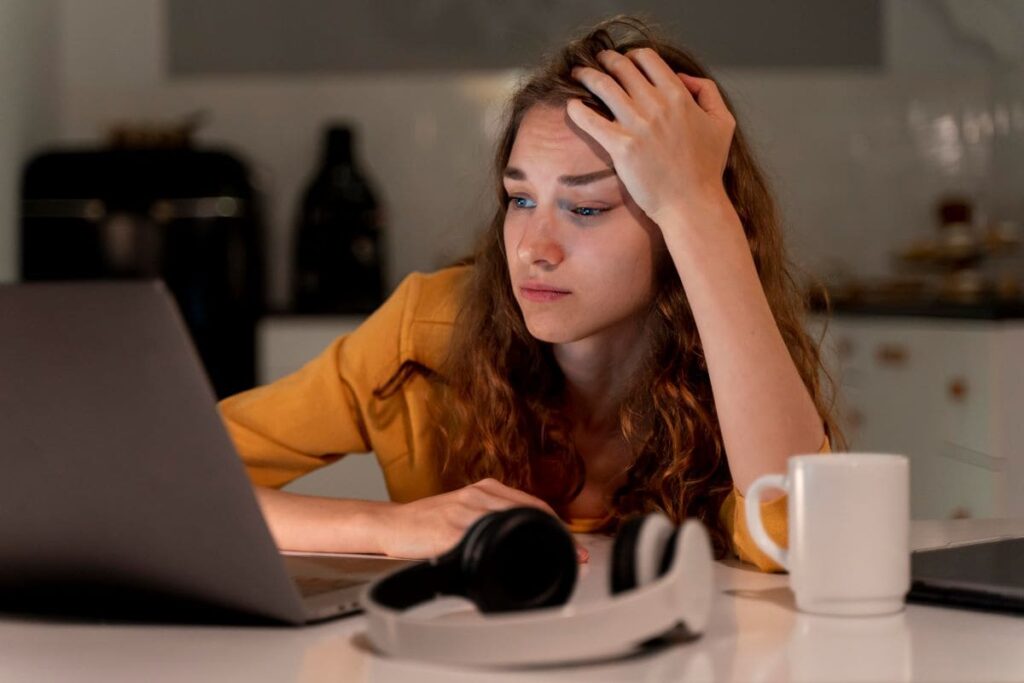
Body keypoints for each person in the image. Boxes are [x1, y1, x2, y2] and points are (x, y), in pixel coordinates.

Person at [218, 15, 841, 572]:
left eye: (587, 207)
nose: (533, 248)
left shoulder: (731, 354)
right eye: (520, 199)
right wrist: (386, 526)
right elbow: (166, 484)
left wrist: (701, 207)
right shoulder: (429, 327)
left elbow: (804, 542)